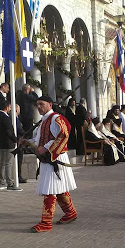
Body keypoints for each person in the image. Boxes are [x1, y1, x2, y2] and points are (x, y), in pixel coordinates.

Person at [24, 95, 77, 232]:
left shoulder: (55, 118)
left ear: (49, 104)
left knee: (50, 190)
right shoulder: (43, 121)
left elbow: (64, 134)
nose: (39, 107)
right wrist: (28, 142)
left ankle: (46, 222)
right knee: (57, 188)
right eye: (38, 104)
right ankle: (70, 213)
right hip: (49, 159)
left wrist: (47, 147)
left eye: (42, 104)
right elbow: (39, 140)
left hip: (56, 158)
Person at [0, 100, 22, 191]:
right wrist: (15, 139)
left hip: (0, 142)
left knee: (2, 162)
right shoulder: (5, 117)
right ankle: (9, 183)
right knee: (8, 163)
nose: (10, 109)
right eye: (9, 107)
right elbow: (8, 130)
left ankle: (2, 182)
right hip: (8, 143)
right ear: (7, 107)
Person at [14, 103, 27, 183]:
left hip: (20, 141)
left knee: (19, 160)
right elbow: (19, 130)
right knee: (18, 160)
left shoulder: (17, 118)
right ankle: (18, 176)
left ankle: (19, 175)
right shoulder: (14, 119)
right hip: (18, 141)